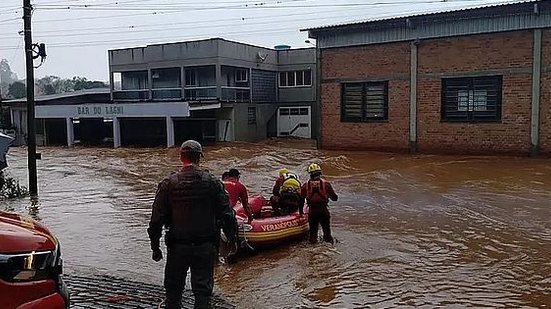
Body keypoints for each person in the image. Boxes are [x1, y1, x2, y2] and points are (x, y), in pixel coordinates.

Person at [148, 140, 238, 309]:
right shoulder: (212, 182)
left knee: (173, 291)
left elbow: (156, 219)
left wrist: (155, 246)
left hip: (177, 247)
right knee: (202, 292)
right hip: (205, 246)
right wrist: (233, 242)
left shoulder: (168, 183)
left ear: (181, 157)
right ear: (199, 158)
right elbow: (227, 215)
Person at [301, 163, 338, 244]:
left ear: (310, 174)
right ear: (320, 173)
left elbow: (301, 199)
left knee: (313, 235)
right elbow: (335, 198)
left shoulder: (305, 185)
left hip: (312, 212)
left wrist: (301, 212)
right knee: (327, 235)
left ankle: (313, 253)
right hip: (323, 211)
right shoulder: (326, 184)